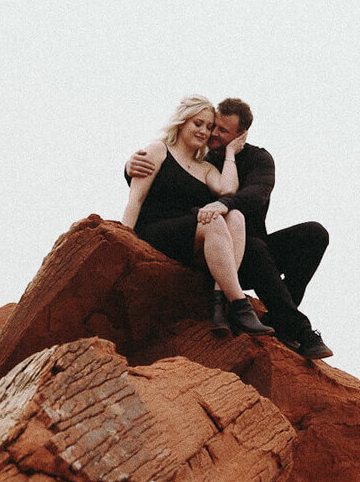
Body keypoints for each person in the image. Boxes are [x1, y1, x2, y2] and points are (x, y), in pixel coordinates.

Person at [127, 97, 333, 359]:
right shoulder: (203, 154)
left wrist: (225, 201)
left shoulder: (257, 159)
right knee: (253, 246)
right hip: (211, 248)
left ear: (241, 135)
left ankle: (279, 316)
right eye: (211, 126)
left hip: (245, 249)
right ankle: (299, 329)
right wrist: (129, 167)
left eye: (220, 130)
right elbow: (164, 184)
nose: (211, 133)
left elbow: (254, 195)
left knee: (314, 234)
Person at [121, 95, 275, 337]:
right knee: (214, 218)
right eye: (198, 124)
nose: (204, 131)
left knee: (235, 216)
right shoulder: (158, 150)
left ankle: (218, 300)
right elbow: (135, 199)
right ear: (182, 123)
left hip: (188, 236)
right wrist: (123, 242)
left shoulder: (205, 168)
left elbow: (228, 190)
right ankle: (238, 304)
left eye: (209, 126)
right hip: (154, 230)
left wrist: (231, 153)